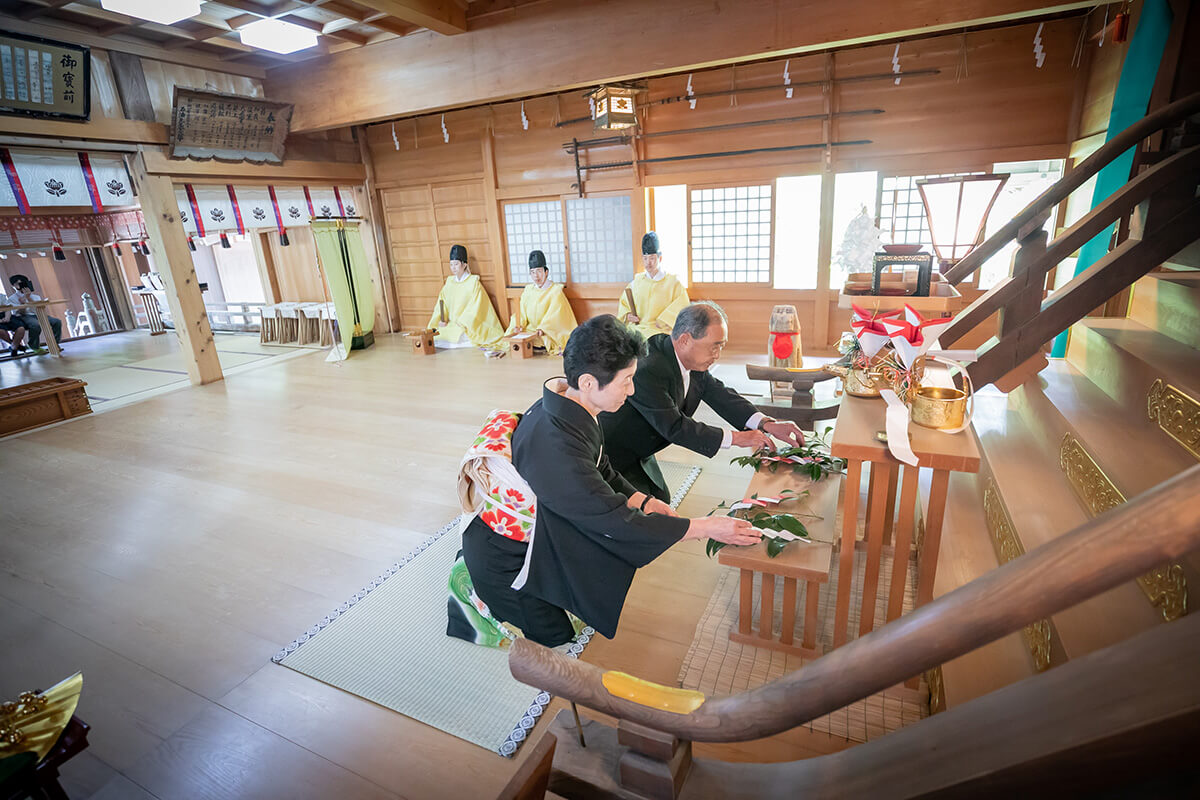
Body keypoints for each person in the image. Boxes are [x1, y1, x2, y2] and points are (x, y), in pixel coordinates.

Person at [459, 314, 760, 646]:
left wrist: (643, 501)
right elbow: (616, 522)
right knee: (554, 637)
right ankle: (477, 594)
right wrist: (705, 527)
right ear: (589, 382)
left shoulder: (570, 405)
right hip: (506, 560)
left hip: (542, 527)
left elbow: (603, 469)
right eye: (626, 380)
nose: (632, 390)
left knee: (589, 582)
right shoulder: (557, 447)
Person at [600, 301, 806, 502]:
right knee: (643, 514)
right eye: (714, 347)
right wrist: (737, 438)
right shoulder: (648, 368)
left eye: (721, 346)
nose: (717, 355)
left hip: (643, 449)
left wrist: (766, 423)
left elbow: (720, 394)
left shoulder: (689, 359)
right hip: (611, 455)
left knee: (662, 501)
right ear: (685, 340)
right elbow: (675, 427)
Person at [426, 244, 504, 350]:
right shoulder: (449, 283)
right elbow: (441, 303)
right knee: (436, 336)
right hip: (451, 324)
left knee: (460, 335)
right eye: (451, 264)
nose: (453, 268)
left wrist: (463, 322)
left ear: (464, 264)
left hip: (466, 325)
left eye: (456, 264)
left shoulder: (473, 282)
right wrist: (441, 319)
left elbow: (476, 307)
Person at [503, 250, 578, 355]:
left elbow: (556, 316)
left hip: (546, 333)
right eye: (532, 272)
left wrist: (543, 328)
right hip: (529, 331)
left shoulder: (555, 291)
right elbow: (521, 313)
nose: (536, 276)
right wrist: (518, 325)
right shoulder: (528, 290)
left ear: (546, 272)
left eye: (539, 271)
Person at [617, 232, 689, 338]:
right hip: (637, 330)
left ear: (660, 258)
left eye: (652, 258)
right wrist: (628, 315)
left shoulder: (673, 282)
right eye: (645, 258)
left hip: (660, 331)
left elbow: (682, 304)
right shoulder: (636, 282)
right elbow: (624, 304)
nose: (648, 263)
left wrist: (665, 320)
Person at [7, 275, 62, 353]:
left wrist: (28, 298)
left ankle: (55, 344)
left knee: (57, 322)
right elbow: (18, 313)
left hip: (38, 314)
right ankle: (33, 345)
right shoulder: (12, 299)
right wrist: (23, 304)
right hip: (24, 316)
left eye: (22, 283)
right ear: (13, 286)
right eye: (17, 284)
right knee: (35, 324)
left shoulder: (35, 296)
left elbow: (38, 309)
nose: (20, 285)